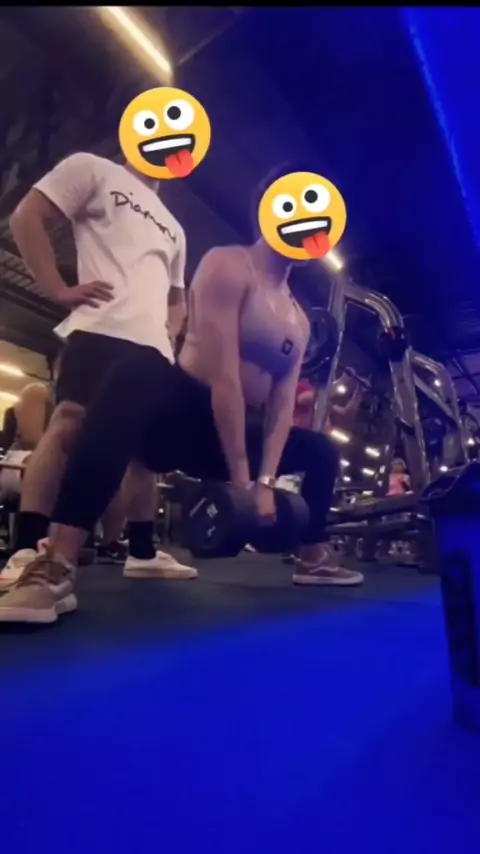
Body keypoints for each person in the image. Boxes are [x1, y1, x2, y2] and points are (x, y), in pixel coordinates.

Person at [0, 163, 364, 624]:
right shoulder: (227, 265)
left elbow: (280, 407)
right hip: (179, 416)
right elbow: (225, 380)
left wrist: (266, 484)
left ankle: (312, 557)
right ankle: (56, 562)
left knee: (320, 452)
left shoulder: (299, 319)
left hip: (228, 436)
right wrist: (242, 483)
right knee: (137, 368)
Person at [3, 148, 196, 586]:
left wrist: (169, 334)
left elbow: (177, 298)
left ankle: (142, 552)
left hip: (152, 354)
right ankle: (27, 548)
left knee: (145, 455)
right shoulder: (94, 169)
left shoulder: (176, 228)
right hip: (101, 330)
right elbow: (26, 218)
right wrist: (57, 288)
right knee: (69, 423)